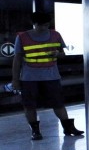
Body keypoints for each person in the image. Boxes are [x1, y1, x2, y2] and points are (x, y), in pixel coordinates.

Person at [11, 12, 84, 141]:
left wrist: (57, 53)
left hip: (52, 77)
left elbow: (63, 54)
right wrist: (15, 80)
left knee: (58, 103)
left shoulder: (56, 35)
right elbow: (17, 60)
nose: (44, 28)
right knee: (29, 105)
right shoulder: (22, 37)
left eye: (46, 25)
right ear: (34, 24)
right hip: (29, 78)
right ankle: (35, 131)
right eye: (41, 26)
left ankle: (68, 127)